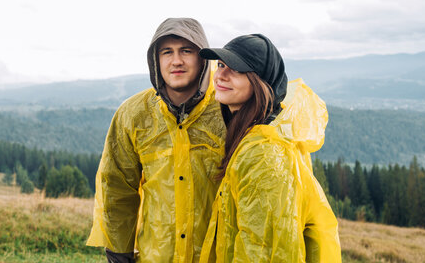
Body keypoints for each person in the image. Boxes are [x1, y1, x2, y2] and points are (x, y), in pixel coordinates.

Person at [86, 18, 226, 262]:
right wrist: (119, 252)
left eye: (186, 51)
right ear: (156, 60)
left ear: (203, 58)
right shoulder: (133, 114)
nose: (176, 61)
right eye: (167, 52)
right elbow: (117, 189)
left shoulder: (228, 109)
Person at [198, 34, 342, 262]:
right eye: (221, 65)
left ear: (259, 82)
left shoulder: (264, 154)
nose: (220, 75)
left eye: (235, 69)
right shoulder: (259, 131)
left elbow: (263, 250)